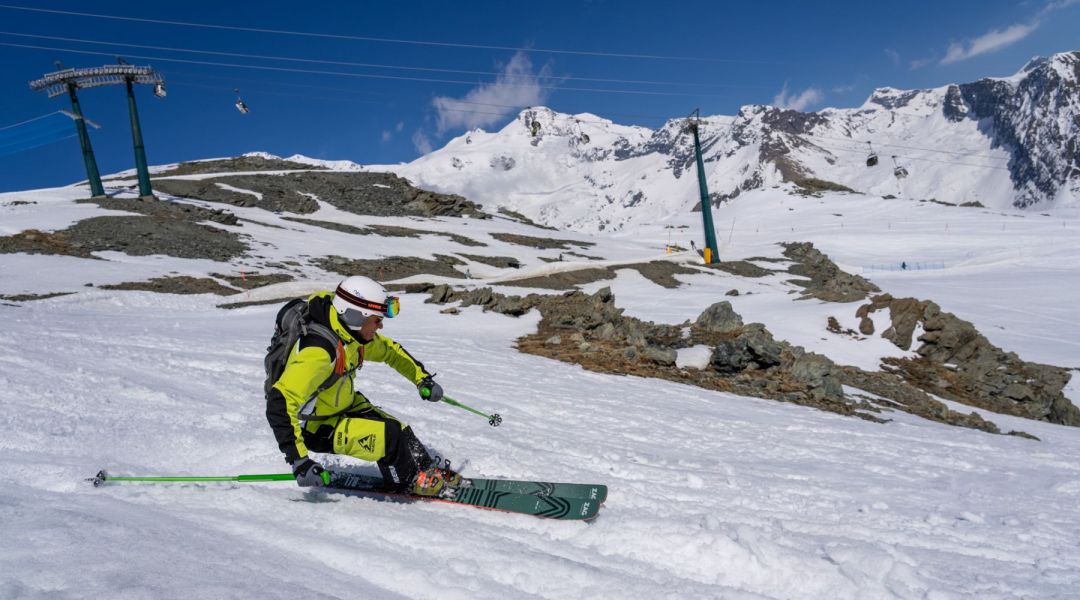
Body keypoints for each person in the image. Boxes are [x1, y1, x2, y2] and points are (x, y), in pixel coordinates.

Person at [265, 276, 458, 496]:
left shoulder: (353, 336)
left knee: (400, 430)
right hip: (318, 427)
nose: (381, 325)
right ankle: (409, 482)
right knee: (389, 438)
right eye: (376, 320)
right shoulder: (318, 353)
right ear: (356, 316)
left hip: (342, 405)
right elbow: (279, 404)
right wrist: (299, 462)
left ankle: (425, 470)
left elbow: (390, 351)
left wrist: (421, 378)